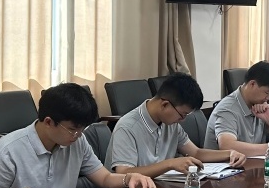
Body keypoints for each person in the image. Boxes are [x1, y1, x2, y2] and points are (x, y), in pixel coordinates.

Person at [0, 83, 156, 188]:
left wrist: (129, 178)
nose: (78, 135)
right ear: (48, 122)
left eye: (82, 129)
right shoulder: (7, 151)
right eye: (72, 129)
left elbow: (105, 178)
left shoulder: (77, 141)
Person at [105, 73, 245, 178]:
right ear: (165, 105)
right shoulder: (127, 127)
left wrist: (229, 153)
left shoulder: (170, 123)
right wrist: (170, 164)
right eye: (182, 114)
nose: (182, 120)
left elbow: (196, 153)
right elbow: (123, 173)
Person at [204, 61, 269, 155]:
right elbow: (226, 145)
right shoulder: (227, 109)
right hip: (223, 164)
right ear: (252, 84)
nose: (268, 98)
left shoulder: (259, 105)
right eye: (267, 93)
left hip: (249, 162)